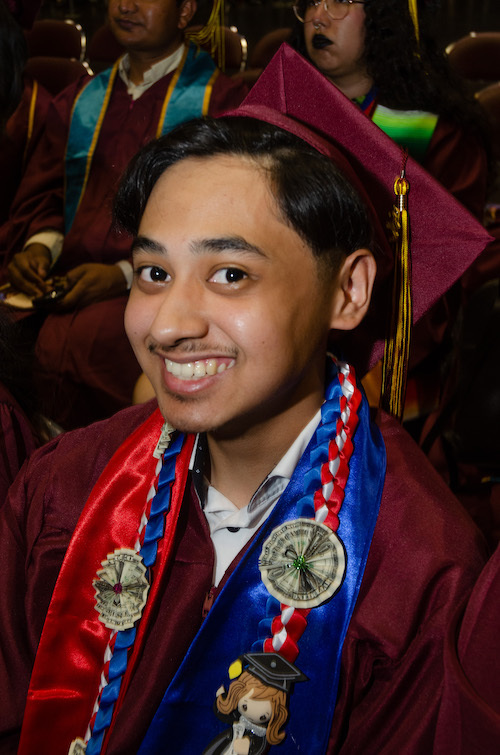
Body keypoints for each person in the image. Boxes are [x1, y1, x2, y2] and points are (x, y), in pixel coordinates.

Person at [0, 47, 493, 754]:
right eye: (152, 271)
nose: (168, 324)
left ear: (349, 291)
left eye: (229, 273)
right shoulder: (64, 487)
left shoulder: (415, 567)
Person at [0, 0, 247, 429]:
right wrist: (39, 248)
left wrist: (121, 274)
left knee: (86, 341)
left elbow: (223, 227)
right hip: (64, 279)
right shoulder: (79, 99)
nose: (125, 5)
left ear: (186, 10)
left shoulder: (220, 103)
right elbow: (47, 193)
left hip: (158, 290)